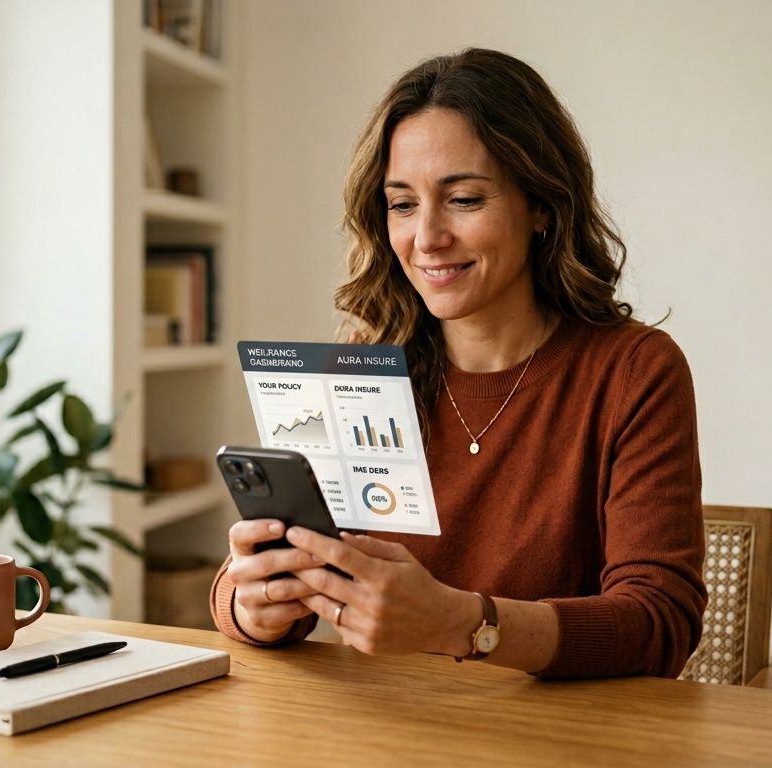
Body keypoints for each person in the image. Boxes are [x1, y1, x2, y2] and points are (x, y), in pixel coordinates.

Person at [209, 48, 706, 679]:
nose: (427, 238)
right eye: (403, 204)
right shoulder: (358, 368)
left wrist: (460, 623)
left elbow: (660, 622)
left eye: (464, 199)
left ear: (542, 207)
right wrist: (255, 603)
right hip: (384, 731)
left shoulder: (634, 371)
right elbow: (253, 583)